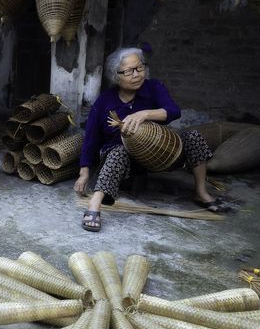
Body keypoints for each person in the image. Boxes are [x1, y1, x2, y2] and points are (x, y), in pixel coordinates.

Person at [74, 46, 226, 232]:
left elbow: (174, 111)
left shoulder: (154, 87)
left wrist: (145, 113)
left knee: (192, 136)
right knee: (118, 151)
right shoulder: (105, 100)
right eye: (129, 71)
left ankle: (201, 193)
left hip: (158, 153)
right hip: (122, 160)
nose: (137, 74)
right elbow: (91, 138)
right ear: (116, 75)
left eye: (140, 68)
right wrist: (84, 173)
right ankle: (95, 204)